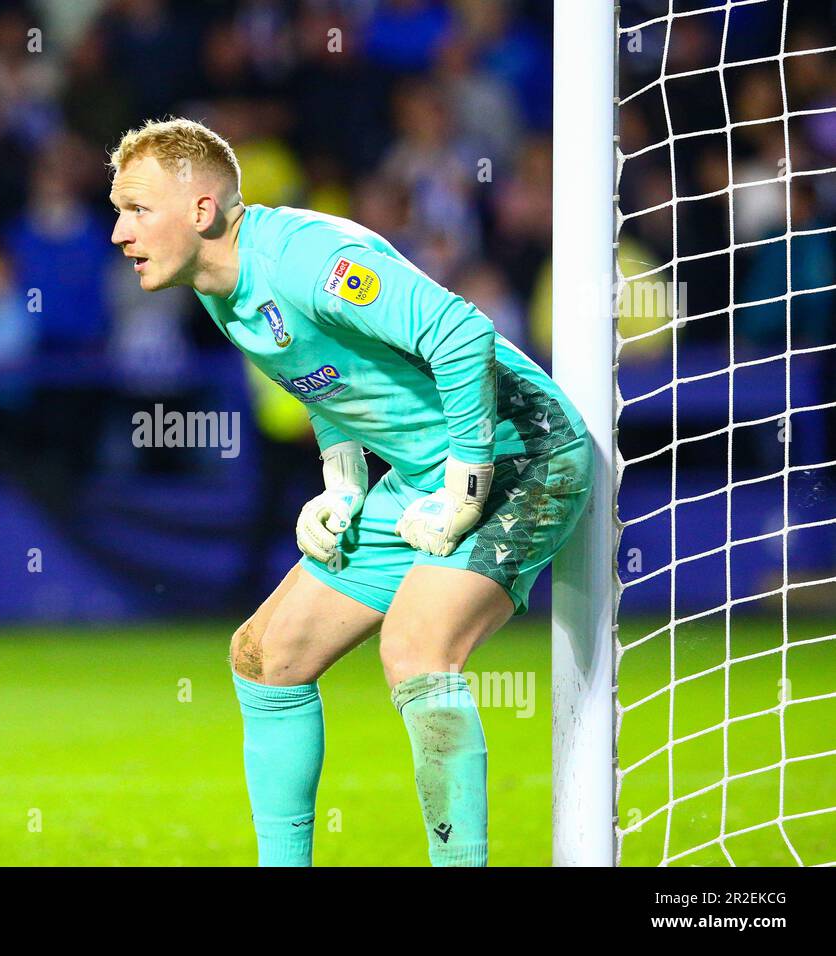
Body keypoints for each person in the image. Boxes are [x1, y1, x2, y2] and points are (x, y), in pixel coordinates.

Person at [107, 117, 594, 867]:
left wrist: (468, 482)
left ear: (202, 211)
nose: (118, 231)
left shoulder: (307, 258)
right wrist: (344, 479)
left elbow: (460, 332)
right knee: (265, 656)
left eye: (136, 208)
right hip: (424, 477)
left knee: (417, 649)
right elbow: (324, 377)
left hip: (520, 450)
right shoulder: (218, 286)